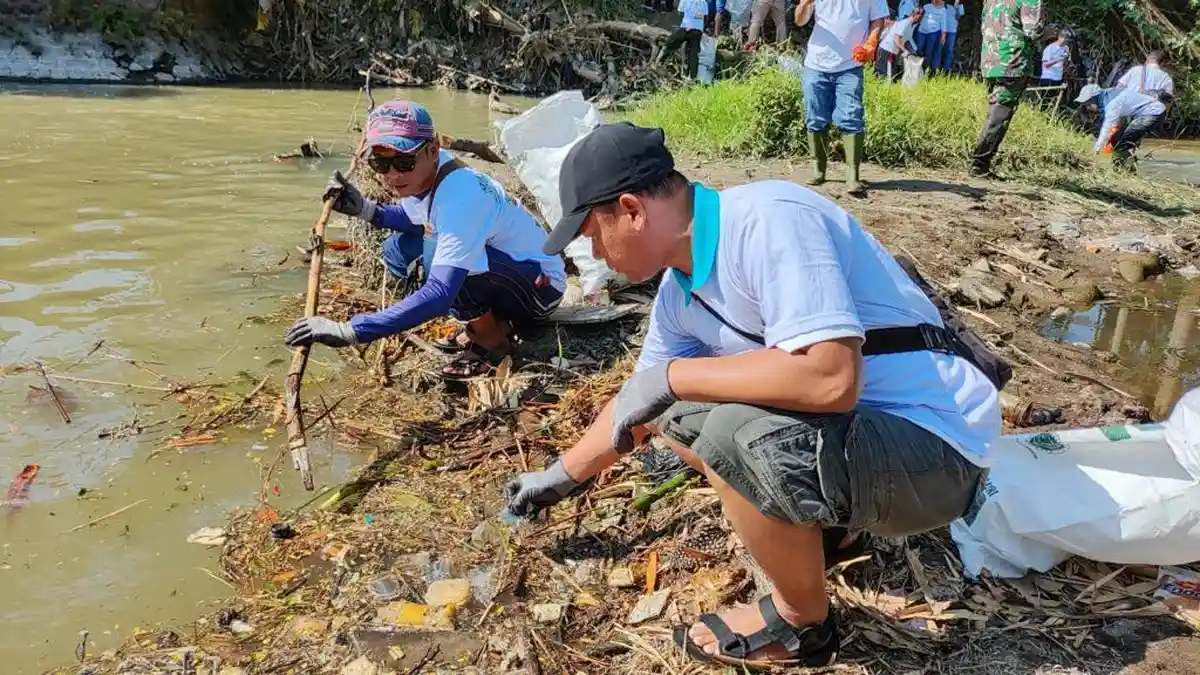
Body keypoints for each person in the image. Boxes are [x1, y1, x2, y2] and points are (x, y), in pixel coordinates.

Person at [502, 121, 1000, 669]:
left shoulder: (768, 220)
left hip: (938, 452)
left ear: (632, 210)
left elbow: (831, 379)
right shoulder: (679, 293)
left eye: (592, 233)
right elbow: (639, 406)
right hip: (869, 441)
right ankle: (823, 525)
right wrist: (555, 479)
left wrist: (674, 379)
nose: (593, 251)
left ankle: (801, 623)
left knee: (732, 431)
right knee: (678, 416)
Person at [285, 101, 566, 378]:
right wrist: (366, 210)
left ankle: (492, 341)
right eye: (380, 162)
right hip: (509, 269)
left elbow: (440, 294)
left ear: (433, 150)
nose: (393, 175)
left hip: (541, 288)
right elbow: (418, 220)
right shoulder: (430, 174)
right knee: (396, 249)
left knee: (443, 263)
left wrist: (352, 330)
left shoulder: (460, 195)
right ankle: (494, 320)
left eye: (404, 161)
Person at [793, 0, 889, 194]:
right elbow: (799, 21)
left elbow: (878, 20)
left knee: (852, 116)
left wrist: (871, 43)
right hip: (816, 63)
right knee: (815, 117)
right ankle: (818, 169)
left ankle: (852, 175)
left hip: (850, 65)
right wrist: (804, 4)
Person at [969, 0, 1043, 178]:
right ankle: (979, 164)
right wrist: (1050, 33)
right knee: (1001, 114)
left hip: (990, 60)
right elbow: (1033, 30)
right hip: (1012, 61)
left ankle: (980, 162)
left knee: (996, 110)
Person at [1075, 83, 1168, 172]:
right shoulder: (1108, 94)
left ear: (1095, 98)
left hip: (1153, 113)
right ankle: (1121, 168)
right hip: (1141, 113)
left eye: (1088, 104)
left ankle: (1126, 172)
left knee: (1121, 146)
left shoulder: (1111, 104)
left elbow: (1106, 128)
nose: (1087, 108)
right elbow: (1116, 122)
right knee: (1115, 141)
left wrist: (1096, 149)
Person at [659, 0, 710, 79]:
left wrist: (687, 23)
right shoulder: (704, 2)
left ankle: (659, 63)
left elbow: (681, 13)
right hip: (698, 30)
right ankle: (693, 77)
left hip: (686, 28)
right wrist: (701, 28)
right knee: (694, 54)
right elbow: (705, 18)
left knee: (669, 42)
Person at [875, 6, 923, 83]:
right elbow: (896, 40)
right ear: (915, 14)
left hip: (893, 52)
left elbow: (907, 40)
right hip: (886, 49)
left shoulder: (912, 25)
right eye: (921, 16)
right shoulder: (905, 23)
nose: (921, 19)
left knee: (891, 76)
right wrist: (905, 51)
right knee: (881, 76)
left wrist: (914, 52)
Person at [915, 0, 947, 72]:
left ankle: (926, 69)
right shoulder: (926, 6)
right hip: (921, 31)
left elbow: (943, 23)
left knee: (929, 51)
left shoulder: (943, 10)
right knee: (918, 48)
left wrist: (943, 35)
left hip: (933, 33)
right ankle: (917, 66)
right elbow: (919, 17)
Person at [938, 0, 964, 73]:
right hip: (941, 30)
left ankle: (946, 71)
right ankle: (936, 69)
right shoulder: (943, 2)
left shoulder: (960, 4)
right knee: (939, 50)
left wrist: (956, 7)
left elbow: (958, 17)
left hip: (952, 31)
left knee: (949, 51)